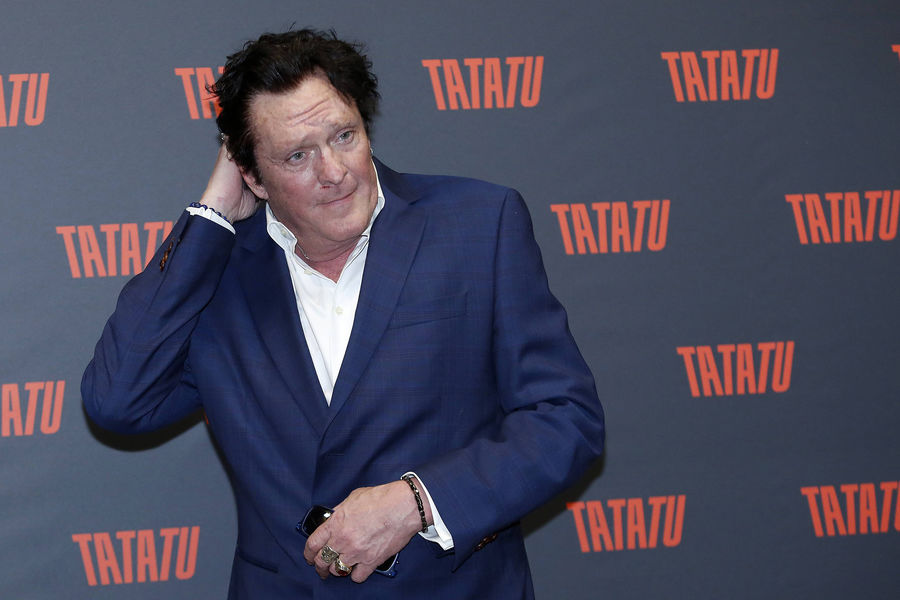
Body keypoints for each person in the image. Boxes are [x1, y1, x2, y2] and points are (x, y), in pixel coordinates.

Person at [82, 28, 604, 599]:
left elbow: (564, 419)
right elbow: (119, 401)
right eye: (297, 155)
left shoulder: (478, 224)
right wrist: (213, 213)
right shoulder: (215, 276)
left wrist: (417, 501)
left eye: (344, 135)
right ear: (251, 175)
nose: (334, 172)